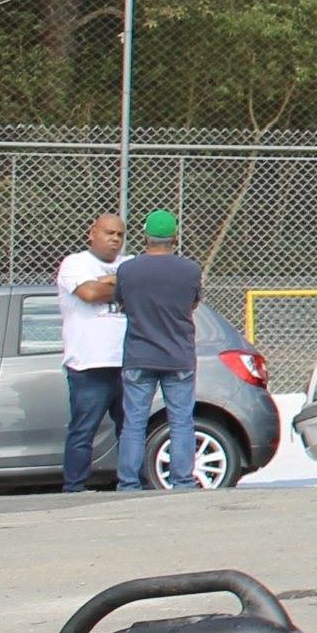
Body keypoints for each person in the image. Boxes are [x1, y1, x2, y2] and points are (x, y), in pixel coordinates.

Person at [112, 210, 203, 491]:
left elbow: (121, 303)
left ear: (144, 237)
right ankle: (183, 480)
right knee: (181, 421)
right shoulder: (190, 269)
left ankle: (128, 483)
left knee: (134, 422)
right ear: (175, 237)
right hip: (179, 356)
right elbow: (193, 304)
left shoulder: (127, 269)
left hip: (140, 355)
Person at [56, 211, 127, 494]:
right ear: (92, 234)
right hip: (89, 364)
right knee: (84, 430)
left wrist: (109, 282)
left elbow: (140, 290)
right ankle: (74, 488)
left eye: (120, 235)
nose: (115, 239)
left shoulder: (130, 264)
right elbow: (89, 294)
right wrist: (121, 285)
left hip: (127, 362)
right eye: (109, 233)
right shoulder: (75, 263)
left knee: (131, 429)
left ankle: (134, 485)